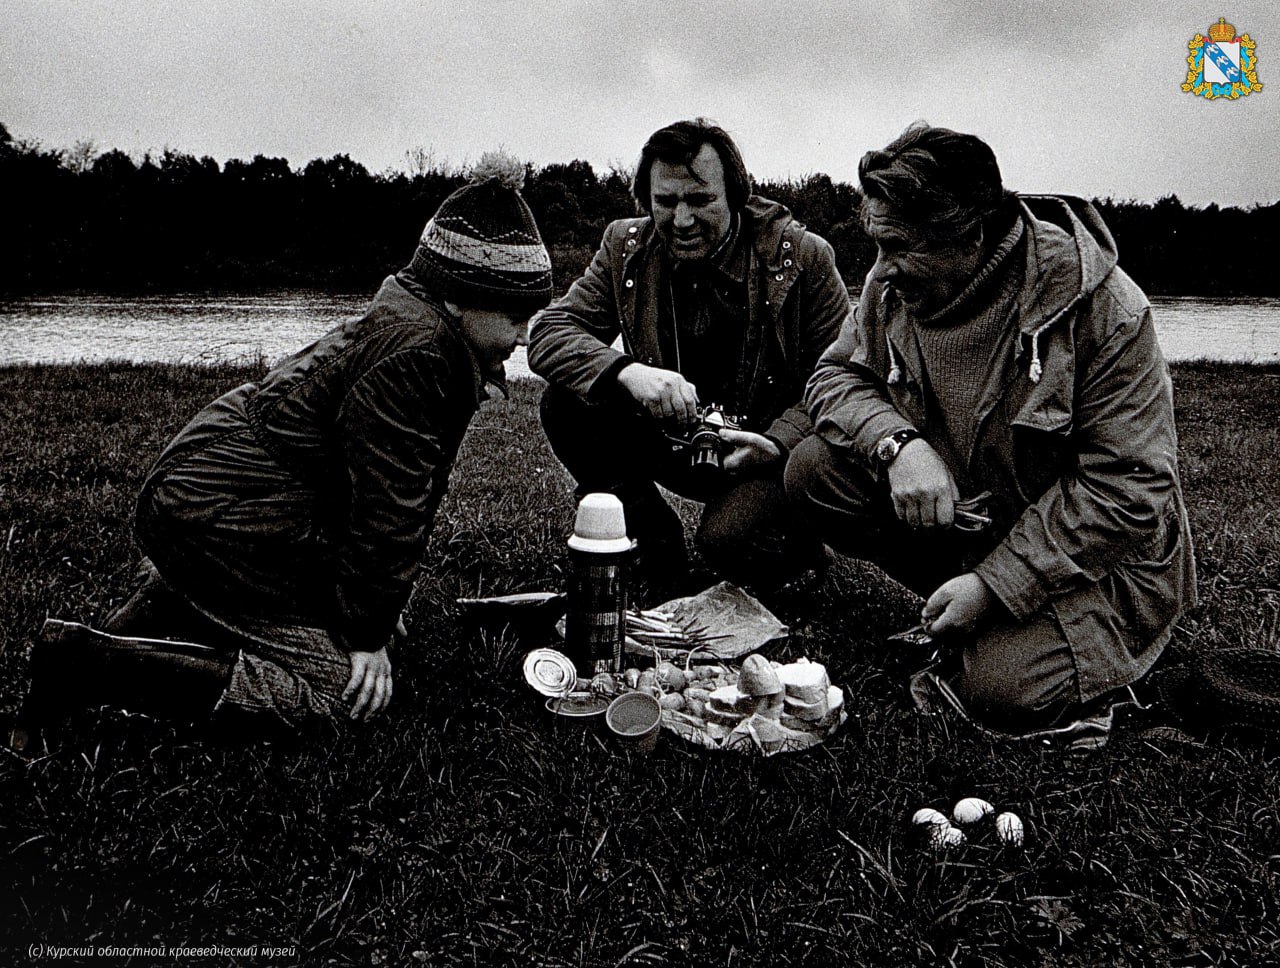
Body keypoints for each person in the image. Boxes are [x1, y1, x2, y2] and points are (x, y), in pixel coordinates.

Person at [8, 153, 553, 752]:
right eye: (516, 315)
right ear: (456, 297)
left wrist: (365, 608)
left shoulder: (416, 327)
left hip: (214, 498)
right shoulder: (417, 356)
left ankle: (167, 607)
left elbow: (373, 495)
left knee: (345, 629)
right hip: (224, 515)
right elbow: (389, 510)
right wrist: (365, 634)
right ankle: (85, 663)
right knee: (334, 696)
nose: (525, 334)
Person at [785, 123, 1196, 731]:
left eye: (897, 246)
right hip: (981, 524)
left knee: (999, 691)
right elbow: (833, 380)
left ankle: (1074, 647)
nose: (880, 270)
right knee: (814, 471)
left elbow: (1128, 490)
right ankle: (974, 611)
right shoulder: (888, 285)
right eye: (876, 245)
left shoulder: (1105, 311)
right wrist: (899, 446)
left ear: (969, 233)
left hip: (1105, 563)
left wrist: (996, 584)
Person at [527, 119, 849, 599]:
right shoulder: (623, 247)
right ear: (645, 200)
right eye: (665, 202)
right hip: (673, 440)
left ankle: (798, 543)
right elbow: (549, 333)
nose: (681, 220)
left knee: (727, 543)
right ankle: (653, 544)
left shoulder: (806, 257)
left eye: (700, 201)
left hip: (760, 455)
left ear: (735, 194)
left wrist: (779, 443)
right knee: (564, 404)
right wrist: (628, 372)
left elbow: (841, 382)